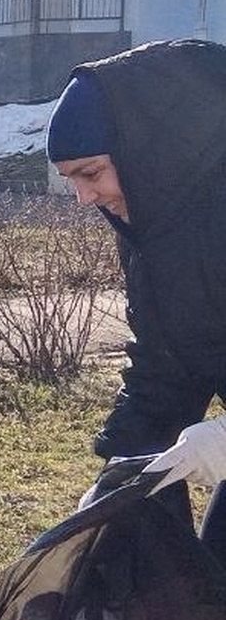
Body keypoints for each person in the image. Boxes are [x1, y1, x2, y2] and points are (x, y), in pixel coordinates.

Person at [48, 39, 226, 529]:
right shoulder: (153, 231)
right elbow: (164, 360)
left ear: (148, 150)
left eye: (92, 173)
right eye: (70, 179)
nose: (84, 198)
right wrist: (121, 468)